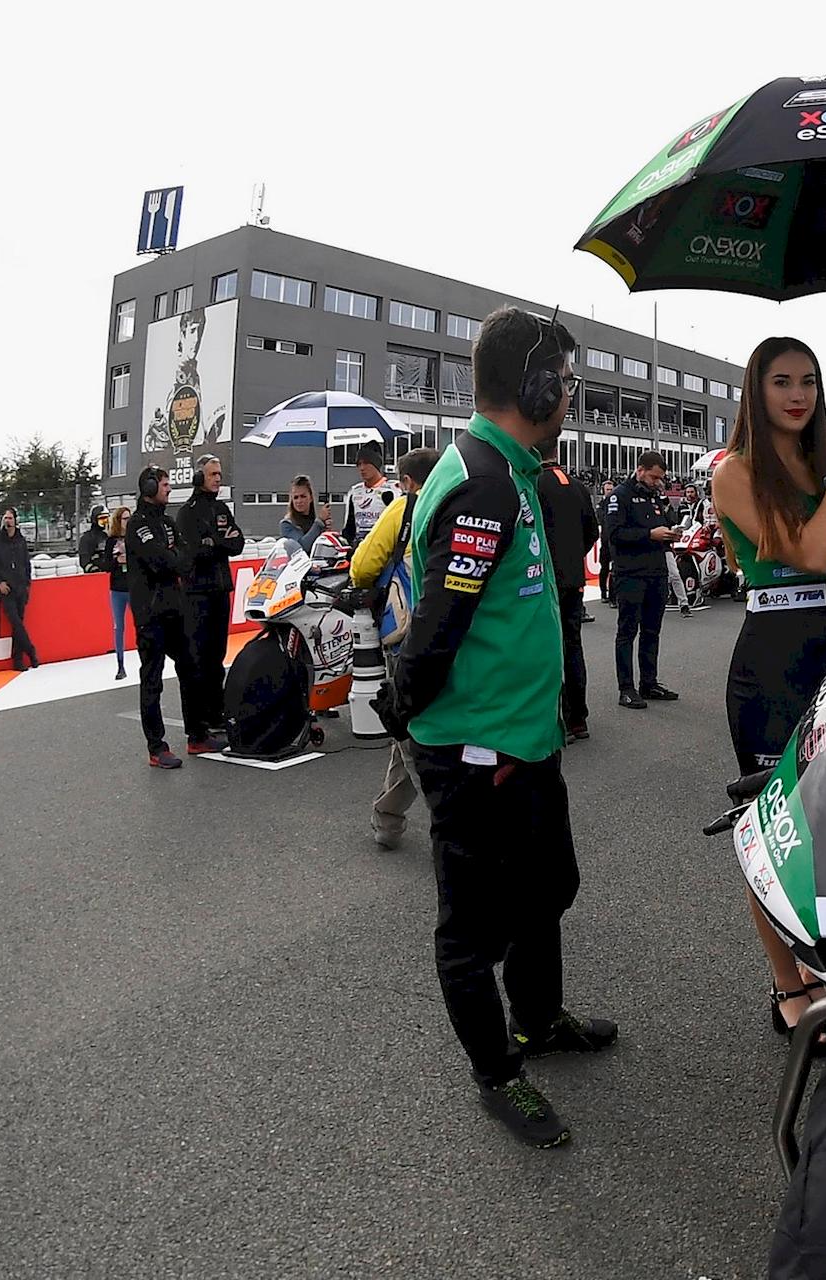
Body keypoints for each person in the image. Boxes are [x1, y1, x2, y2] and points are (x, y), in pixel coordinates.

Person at [383, 306, 613, 1149]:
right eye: (568, 383)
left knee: (548, 891)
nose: (573, 398)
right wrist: (407, 714)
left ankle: (540, 1021)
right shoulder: (483, 478)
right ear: (539, 385)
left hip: (526, 742)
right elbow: (437, 625)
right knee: (473, 931)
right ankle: (497, 1075)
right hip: (481, 754)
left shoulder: (510, 466)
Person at [711, 336, 826, 1043]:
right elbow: (807, 553)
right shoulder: (735, 471)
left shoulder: (821, 467)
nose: (798, 394)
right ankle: (790, 981)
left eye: (810, 381)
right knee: (773, 832)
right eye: (781, 380)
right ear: (756, 390)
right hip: (773, 659)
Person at [350, 446, 441, 849]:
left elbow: (362, 567)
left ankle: (440, 817)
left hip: (408, 632)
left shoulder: (403, 509)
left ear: (406, 481)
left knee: (409, 723)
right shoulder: (462, 502)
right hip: (456, 630)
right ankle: (388, 816)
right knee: (418, 722)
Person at [127, 467, 203, 768]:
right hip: (150, 615)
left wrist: (174, 557)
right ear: (148, 486)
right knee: (152, 682)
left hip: (175, 609)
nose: (169, 488)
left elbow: (186, 559)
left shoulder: (169, 523)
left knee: (191, 668)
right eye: (164, 484)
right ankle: (157, 748)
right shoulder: (136, 526)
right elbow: (161, 561)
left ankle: (196, 736)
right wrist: (173, 557)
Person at [605, 451, 683, 708]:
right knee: (627, 632)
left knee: (652, 631)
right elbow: (614, 534)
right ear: (639, 470)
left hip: (656, 572)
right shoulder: (620, 495)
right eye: (653, 477)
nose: (657, 482)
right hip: (631, 574)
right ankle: (626, 688)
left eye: (660, 478)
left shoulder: (655, 496)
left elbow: (662, 526)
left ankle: (649, 683)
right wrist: (650, 534)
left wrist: (670, 534)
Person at [176, 453, 243, 752]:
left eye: (219, 473)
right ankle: (201, 721)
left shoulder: (221, 507)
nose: (219, 478)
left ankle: (218, 715)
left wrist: (214, 541)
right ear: (199, 476)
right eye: (214, 474)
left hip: (219, 590)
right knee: (200, 658)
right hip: (196, 594)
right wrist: (217, 542)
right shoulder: (187, 512)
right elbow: (193, 552)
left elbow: (237, 543)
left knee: (217, 658)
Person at [538, 458, 601, 740]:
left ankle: (555, 719)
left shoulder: (531, 484)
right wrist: (573, 558)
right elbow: (592, 532)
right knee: (572, 646)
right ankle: (578, 718)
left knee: (545, 649)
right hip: (573, 579)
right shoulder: (579, 487)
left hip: (542, 580)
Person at [0, 509, 39, 670]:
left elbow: (26, 563)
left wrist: (27, 583)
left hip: (21, 587)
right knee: (16, 623)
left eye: (10, 518)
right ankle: (30, 650)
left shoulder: (21, 540)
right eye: (5, 518)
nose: (7, 521)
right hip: (6, 588)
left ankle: (18, 660)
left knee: (19, 624)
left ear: (15, 520)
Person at [342, 444, 397, 546]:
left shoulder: (393, 490)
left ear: (376, 464)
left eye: (366, 463)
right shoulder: (354, 491)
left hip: (384, 549)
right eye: (359, 464)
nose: (362, 468)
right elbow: (349, 528)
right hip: (359, 550)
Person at [104, 507, 132, 680]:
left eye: (129, 518)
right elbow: (106, 564)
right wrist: (117, 560)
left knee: (142, 625)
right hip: (117, 589)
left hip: (134, 587)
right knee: (119, 627)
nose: (127, 522)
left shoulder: (135, 538)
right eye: (124, 519)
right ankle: (120, 665)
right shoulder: (110, 541)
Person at [280, 475, 326, 546]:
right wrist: (319, 522)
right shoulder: (287, 524)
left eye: (303, 496)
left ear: (310, 498)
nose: (299, 501)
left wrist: (325, 529)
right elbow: (301, 547)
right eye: (295, 497)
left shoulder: (315, 522)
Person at [597, 479, 616, 604]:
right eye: (607, 489)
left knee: (615, 568)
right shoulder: (601, 504)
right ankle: (603, 592)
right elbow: (602, 519)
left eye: (611, 489)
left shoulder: (617, 502)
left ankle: (613, 596)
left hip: (615, 540)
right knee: (604, 567)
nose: (609, 492)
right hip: (605, 540)